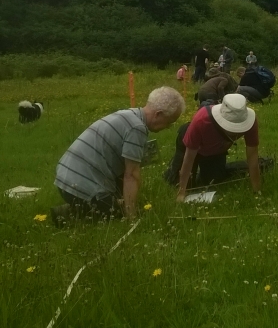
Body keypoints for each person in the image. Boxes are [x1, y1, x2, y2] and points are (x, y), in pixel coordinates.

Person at [52, 87, 185, 226]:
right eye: (169, 122)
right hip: (78, 187)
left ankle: (84, 206)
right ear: (158, 114)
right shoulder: (137, 128)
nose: (168, 127)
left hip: (65, 178)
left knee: (120, 202)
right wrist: (131, 217)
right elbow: (131, 175)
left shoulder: (129, 114)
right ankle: (66, 214)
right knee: (117, 215)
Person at [164, 94, 269, 199]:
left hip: (215, 149)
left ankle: (217, 169)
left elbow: (252, 156)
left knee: (212, 182)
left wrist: (257, 191)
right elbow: (189, 158)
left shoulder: (251, 122)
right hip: (190, 144)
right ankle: (174, 168)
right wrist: (181, 192)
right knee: (178, 183)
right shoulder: (202, 120)